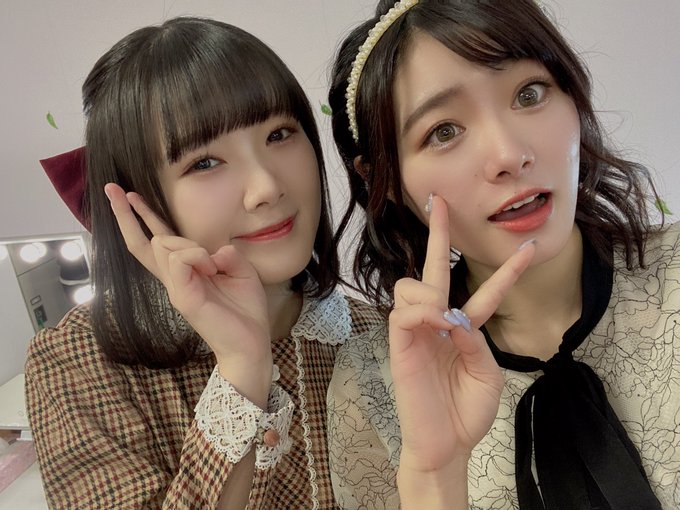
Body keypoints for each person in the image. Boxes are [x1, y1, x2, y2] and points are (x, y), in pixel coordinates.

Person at [326, 0, 679, 509]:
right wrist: (435, 474)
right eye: (444, 131)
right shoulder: (370, 386)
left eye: (529, 93)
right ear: (386, 180)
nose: (509, 154)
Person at [27, 16, 383, 509]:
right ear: (136, 201)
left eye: (280, 133)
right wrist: (242, 371)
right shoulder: (78, 361)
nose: (267, 188)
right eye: (204, 163)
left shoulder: (376, 336)